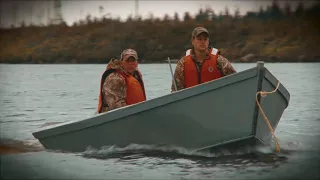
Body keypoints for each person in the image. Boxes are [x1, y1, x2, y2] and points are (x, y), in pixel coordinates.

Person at [171, 26, 237, 92]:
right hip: (192, 101)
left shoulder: (219, 60)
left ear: (208, 41)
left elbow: (235, 81)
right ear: (192, 41)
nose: (203, 42)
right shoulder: (182, 63)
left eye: (205, 39)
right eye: (199, 39)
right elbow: (175, 92)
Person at [97, 49, 146, 114]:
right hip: (114, 117)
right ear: (121, 62)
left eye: (133, 61)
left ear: (137, 63)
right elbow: (116, 105)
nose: (130, 64)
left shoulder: (136, 76)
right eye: (127, 61)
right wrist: (132, 114)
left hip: (134, 115)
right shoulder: (115, 78)